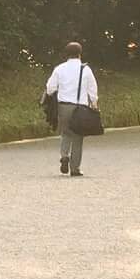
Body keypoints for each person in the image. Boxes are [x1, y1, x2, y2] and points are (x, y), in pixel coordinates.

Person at [44, 41, 99, 177]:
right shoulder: (85, 69)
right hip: (80, 107)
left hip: (63, 106)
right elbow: (92, 90)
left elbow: (50, 88)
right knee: (78, 137)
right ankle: (75, 168)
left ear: (66, 54)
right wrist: (94, 103)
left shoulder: (59, 68)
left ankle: (64, 156)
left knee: (65, 133)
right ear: (80, 54)